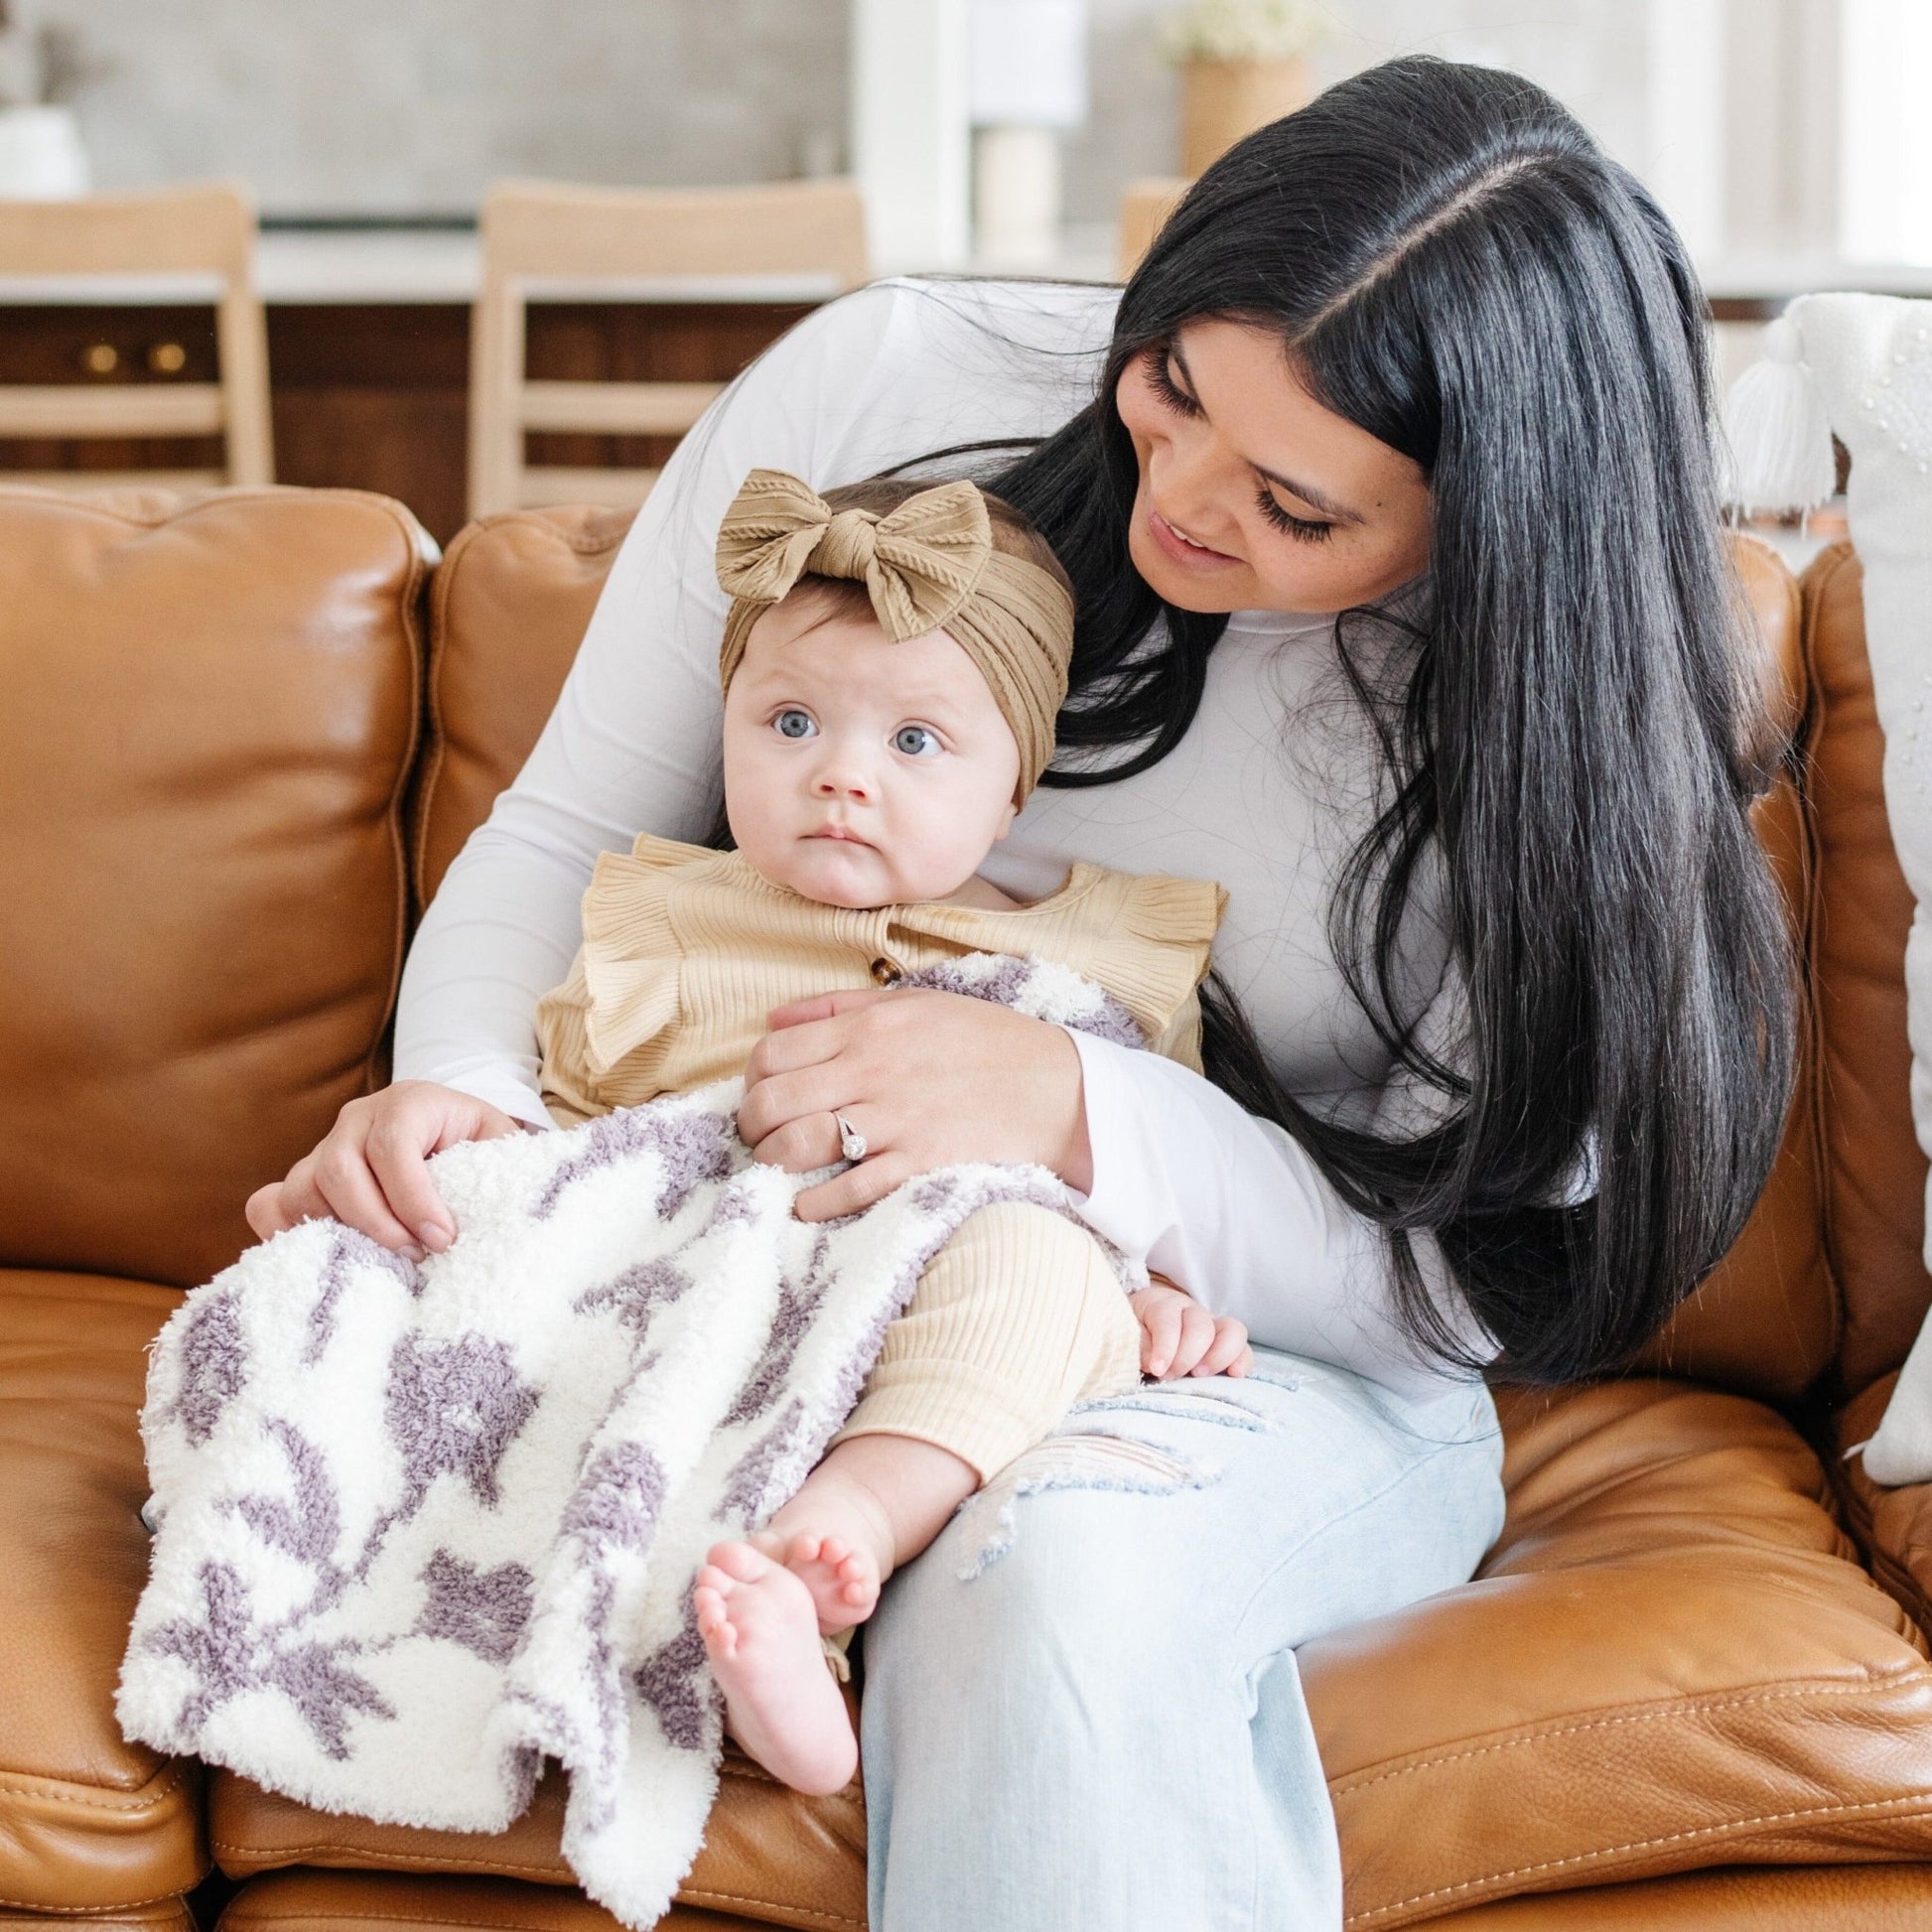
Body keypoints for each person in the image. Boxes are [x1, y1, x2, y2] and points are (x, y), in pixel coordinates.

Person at [247, 57, 1794, 1930]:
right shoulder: (895, 388)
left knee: (1046, 1586)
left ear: (1488, 523)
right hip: (760, 1255)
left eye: (1298, 508)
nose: (1184, 500)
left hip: (1275, 1352)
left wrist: (1069, 1111)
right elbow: (570, 826)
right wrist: (469, 1107)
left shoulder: (1555, 724)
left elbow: (1452, 1296)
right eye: (1168, 390)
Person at [533, 463, 1246, 1794]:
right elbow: (569, 1155)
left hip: (951, 1285)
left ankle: (832, 1546)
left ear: (1014, 789)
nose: (841, 779)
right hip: (731, 1283)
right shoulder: (663, 931)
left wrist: (1154, 1293)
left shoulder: (1097, 961)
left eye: (913, 744)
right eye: (791, 721)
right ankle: (754, 1623)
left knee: (1034, 1262)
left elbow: (1138, 1175)